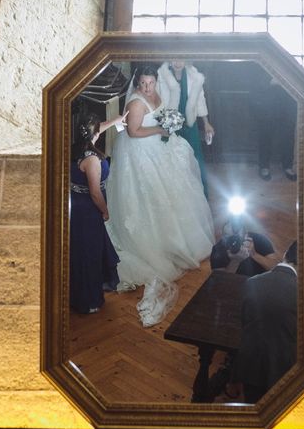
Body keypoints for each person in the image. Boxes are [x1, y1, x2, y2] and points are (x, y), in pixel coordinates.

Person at [106, 65, 215, 327]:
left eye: (150, 83)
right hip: (140, 152)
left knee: (176, 193)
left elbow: (162, 113)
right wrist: (159, 131)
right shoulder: (135, 103)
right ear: (138, 84)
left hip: (158, 147)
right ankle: (158, 244)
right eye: (142, 84)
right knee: (151, 198)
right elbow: (133, 132)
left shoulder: (157, 93)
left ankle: (180, 238)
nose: (146, 88)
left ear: (155, 81)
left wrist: (168, 125)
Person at [69, 112, 125, 314]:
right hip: (88, 210)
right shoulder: (91, 159)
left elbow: (95, 128)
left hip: (76, 205)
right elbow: (94, 192)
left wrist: (115, 121)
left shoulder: (76, 147)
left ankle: (77, 294)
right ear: (94, 133)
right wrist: (105, 210)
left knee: (81, 250)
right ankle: (88, 300)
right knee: (89, 254)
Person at [230, 240, 298, 403]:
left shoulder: (252, 282)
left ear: (286, 254)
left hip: (250, 364)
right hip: (285, 370)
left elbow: (245, 326)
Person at [157, 60, 215, 197]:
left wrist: (206, 123)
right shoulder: (161, 75)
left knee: (196, 161)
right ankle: (176, 198)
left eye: (181, 57)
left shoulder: (194, 75)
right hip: (169, 126)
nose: (178, 62)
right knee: (171, 162)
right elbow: (157, 102)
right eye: (175, 58)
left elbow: (200, 99)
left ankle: (200, 197)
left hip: (190, 125)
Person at [253, 76, 297, 181]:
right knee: (265, 136)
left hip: (288, 102)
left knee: (288, 136)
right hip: (267, 102)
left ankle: (288, 166)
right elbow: (254, 76)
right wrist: (269, 81)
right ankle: (264, 167)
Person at [209, 220, 280, 277]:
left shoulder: (258, 239)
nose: (234, 241)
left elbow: (276, 269)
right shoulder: (217, 249)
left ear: (246, 233)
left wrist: (254, 254)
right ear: (223, 236)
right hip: (235, 288)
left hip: (260, 283)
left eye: (236, 237)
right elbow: (220, 282)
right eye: (228, 238)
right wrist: (235, 261)